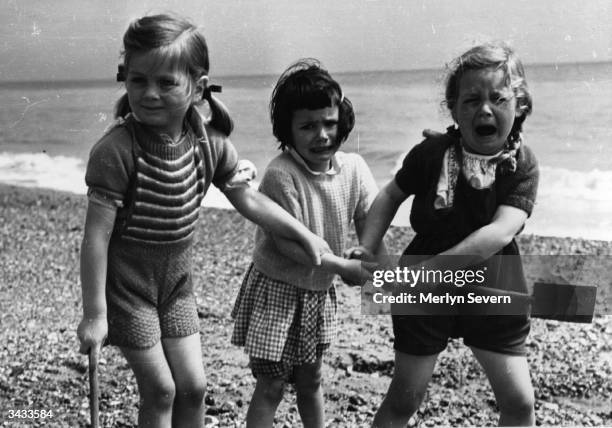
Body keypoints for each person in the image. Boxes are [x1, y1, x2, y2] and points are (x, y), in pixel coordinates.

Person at [76, 15, 330, 428]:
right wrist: (94, 315)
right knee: (161, 391)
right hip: (127, 290)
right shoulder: (117, 151)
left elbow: (248, 199)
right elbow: (96, 237)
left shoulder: (207, 143)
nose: (149, 93)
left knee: (193, 388)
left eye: (165, 82)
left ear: (197, 85)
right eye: (137, 80)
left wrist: (303, 235)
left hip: (177, 286)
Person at [353, 43, 539, 426]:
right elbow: (390, 194)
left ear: (518, 105)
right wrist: (369, 245)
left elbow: (499, 232)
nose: (484, 109)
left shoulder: (522, 164)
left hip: (494, 282)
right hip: (424, 286)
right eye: (471, 100)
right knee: (404, 401)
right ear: (453, 109)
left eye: (498, 98)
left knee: (519, 404)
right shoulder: (432, 152)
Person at [231, 58, 379, 428]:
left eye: (329, 123)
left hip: (316, 293)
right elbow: (288, 246)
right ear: (289, 130)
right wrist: (342, 267)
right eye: (308, 126)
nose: (322, 135)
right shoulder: (282, 174)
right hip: (278, 291)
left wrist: (367, 253)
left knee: (311, 379)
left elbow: (369, 218)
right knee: (272, 385)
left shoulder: (354, 169)